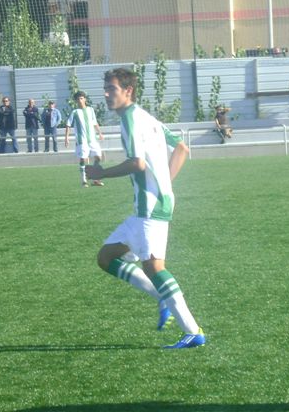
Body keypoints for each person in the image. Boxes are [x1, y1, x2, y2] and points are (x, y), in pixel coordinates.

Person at [85, 67, 205, 349]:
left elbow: (137, 163)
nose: (106, 94)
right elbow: (182, 149)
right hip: (150, 205)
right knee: (106, 257)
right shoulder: (148, 118)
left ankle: (193, 331)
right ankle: (163, 298)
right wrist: (164, 185)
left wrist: (102, 173)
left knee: (154, 266)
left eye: (112, 89)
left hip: (149, 207)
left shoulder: (130, 118)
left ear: (128, 91)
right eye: (105, 88)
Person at [64, 91, 104, 187]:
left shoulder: (91, 110)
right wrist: (66, 138)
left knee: (98, 157)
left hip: (92, 139)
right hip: (82, 141)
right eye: (78, 99)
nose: (80, 100)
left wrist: (100, 133)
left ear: (85, 99)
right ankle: (84, 181)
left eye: (81, 98)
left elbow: (95, 122)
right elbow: (68, 124)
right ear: (76, 101)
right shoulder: (75, 112)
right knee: (83, 159)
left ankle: (95, 179)